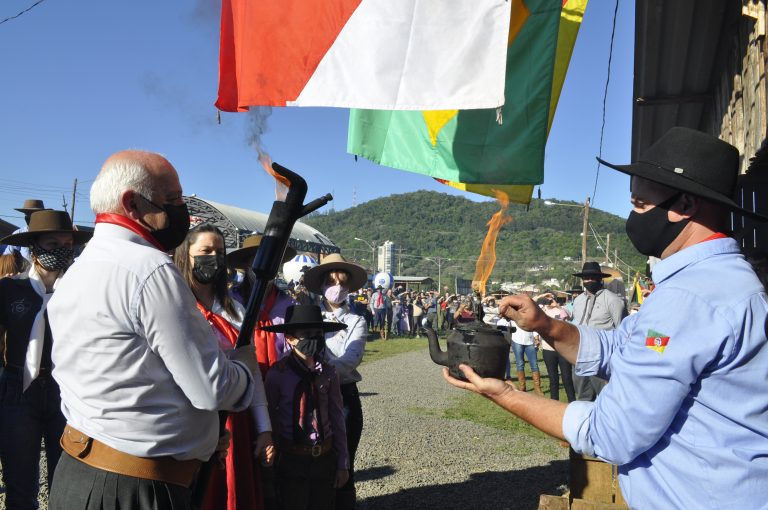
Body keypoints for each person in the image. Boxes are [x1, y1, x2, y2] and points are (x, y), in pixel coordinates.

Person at [443, 127, 768, 509]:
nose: (632, 215)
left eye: (641, 204)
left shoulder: (690, 298)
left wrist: (507, 394)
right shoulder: (711, 283)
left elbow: (611, 434)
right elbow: (623, 348)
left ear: (685, 206)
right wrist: (546, 326)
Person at [47, 150, 260, 509]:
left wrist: (201, 435)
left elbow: (135, 378)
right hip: (135, 488)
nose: (184, 211)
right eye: (173, 199)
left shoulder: (79, 270)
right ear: (132, 203)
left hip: (77, 474)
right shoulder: (150, 270)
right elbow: (212, 387)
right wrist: (244, 370)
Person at [174, 224, 274, 510]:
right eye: (205, 251)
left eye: (219, 252)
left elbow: (251, 374)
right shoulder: (177, 307)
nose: (213, 258)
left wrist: (264, 429)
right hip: (192, 422)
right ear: (186, 256)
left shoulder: (236, 311)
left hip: (235, 422)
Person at [0, 210, 91, 510]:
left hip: (65, 390)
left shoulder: (82, 292)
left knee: (66, 484)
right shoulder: (9, 289)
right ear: (35, 248)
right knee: (20, 483)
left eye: (68, 244)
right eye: (52, 243)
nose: (61, 250)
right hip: (17, 391)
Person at [263, 305, 350, 510]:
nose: (314, 339)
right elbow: (270, 416)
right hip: (292, 459)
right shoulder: (277, 375)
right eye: (307, 335)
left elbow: (338, 419)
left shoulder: (329, 373)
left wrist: (343, 463)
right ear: (290, 338)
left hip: (324, 458)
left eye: (318, 334)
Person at [302, 254, 367, 510]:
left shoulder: (356, 321)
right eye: (331, 280)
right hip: (309, 397)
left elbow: (351, 359)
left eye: (341, 281)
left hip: (343, 397)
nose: (336, 286)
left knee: (344, 462)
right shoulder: (307, 317)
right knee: (311, 463)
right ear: (321, 285)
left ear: (349, 287)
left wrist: (317, 368)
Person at [227, 234, 297, 375]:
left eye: (272, 261)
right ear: (247, 264)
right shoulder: (230, 301)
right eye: (259, 260)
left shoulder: (290, 304)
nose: (266, 266)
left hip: (281, 381)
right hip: (240, 377)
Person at [570, 261, 626, 401]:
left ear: (600, 278)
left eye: (592, 277)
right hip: (580, 354)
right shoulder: (578, 301)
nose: (589, 280)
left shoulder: (613, 300)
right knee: (583, 395)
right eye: (585, 278)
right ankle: (586, 421)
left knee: (606, 396)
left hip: (602, 356)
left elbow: (622, 330)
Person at [2, 199, 48, 264]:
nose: (29, 217)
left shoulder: (49, 233)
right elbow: (7, 257)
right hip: (25, 272)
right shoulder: (18, 234)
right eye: (27, 214)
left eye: (33, 214)